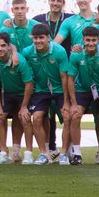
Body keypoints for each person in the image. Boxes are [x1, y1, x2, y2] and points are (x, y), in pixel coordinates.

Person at [65, 25, 99, 165]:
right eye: (87, 40)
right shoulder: (76, 54)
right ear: (83, 40)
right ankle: (76, 154)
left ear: (98, 40)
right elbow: (70, 78)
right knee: (75, 115)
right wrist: (74, 103)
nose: (90, 43)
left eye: (93, 40)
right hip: (83, 89)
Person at [21, 23, 72, 165]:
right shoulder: (27, 52)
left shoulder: (59, 51)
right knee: (36, 118)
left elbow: (64, 77)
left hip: (59, 90)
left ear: (48, 38)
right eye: (35, 38)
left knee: (67, 117)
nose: (38, 41)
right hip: (41, 90)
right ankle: (44, 153)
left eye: (41, 38)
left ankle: (63, 153)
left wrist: (67, 101)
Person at [0, 31, 34, 164]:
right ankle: (3, 153)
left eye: (3, 45)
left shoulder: (20, 61)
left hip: (23, 93)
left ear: (9, 46)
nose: (0, 49)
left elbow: (29, 84)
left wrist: (24, 106)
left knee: (24, 117)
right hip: (7, 93)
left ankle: (28, 153)